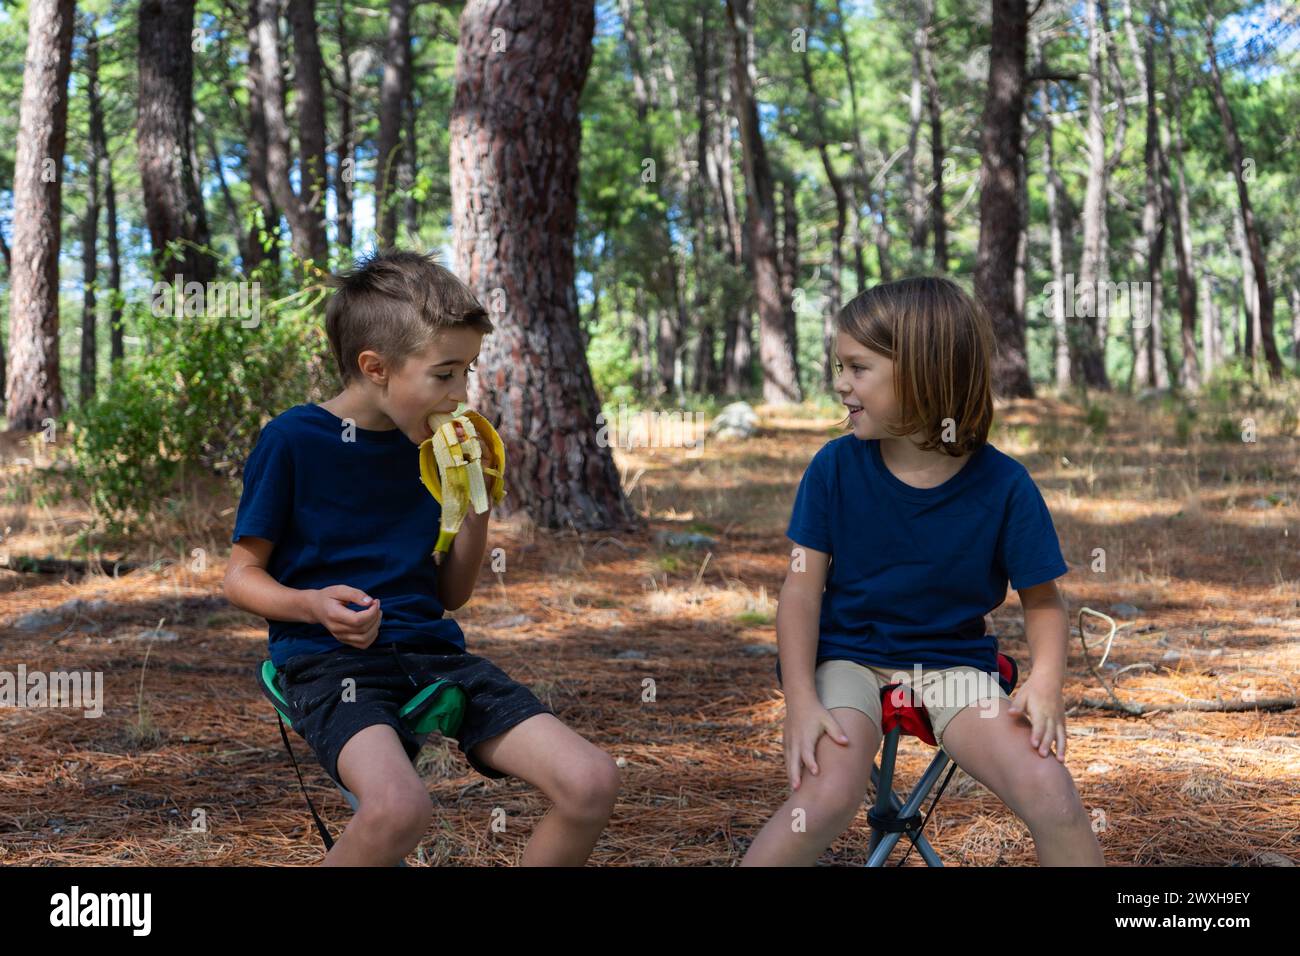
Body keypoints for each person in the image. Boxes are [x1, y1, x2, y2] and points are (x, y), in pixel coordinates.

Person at [223, 250, 619, 866]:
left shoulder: (434, 451)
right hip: (332, 662)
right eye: (445, 374)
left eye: (468, 371)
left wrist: (478, 498)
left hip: (432, 653)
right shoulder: (293, 441)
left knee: (591, 781)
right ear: (376, 368)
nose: (462, 393)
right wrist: (309, 604)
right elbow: (240, 577)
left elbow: (450, 593)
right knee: (399, 809)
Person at [741, 276, 1104, 866]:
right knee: (826, 795)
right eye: (839, 366)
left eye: (858, 369)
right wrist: (801, 701)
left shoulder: (1004, 486)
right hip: (848, 658)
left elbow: (1042, 600)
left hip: (952, 666)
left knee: (1052, 792)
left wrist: (1045, 683)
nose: (840, 384)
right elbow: (802, 591)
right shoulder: (834, 469)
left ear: (922, 372)